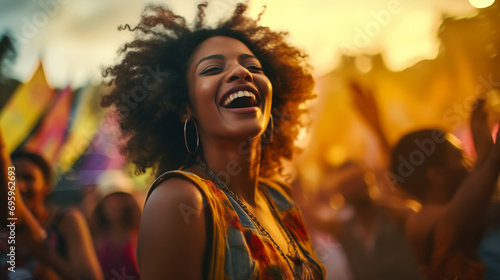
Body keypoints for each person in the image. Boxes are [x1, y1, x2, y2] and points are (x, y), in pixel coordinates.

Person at [100, 2, 326, 279]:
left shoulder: (280, 199)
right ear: (185, 107)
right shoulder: (180, 200)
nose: (240, 72)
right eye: (211, 69)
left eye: (252, 66)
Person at [389, 97, 500, 279]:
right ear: (436, 176)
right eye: (460, 157)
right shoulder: (420, 222)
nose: (469, 163)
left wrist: (487, 156)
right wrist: (491, 157)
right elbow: (459, 215)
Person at [0, 135, 104, 279]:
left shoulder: (66, 221)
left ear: (47, 186)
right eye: (13, 178)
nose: (20, 186)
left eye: (28, 178)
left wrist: (41, 249)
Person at [91, 191, 141, 279]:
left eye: (118, 199)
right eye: (108, 200)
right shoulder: (97, 236)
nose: (112, 204)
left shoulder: (138, 235)